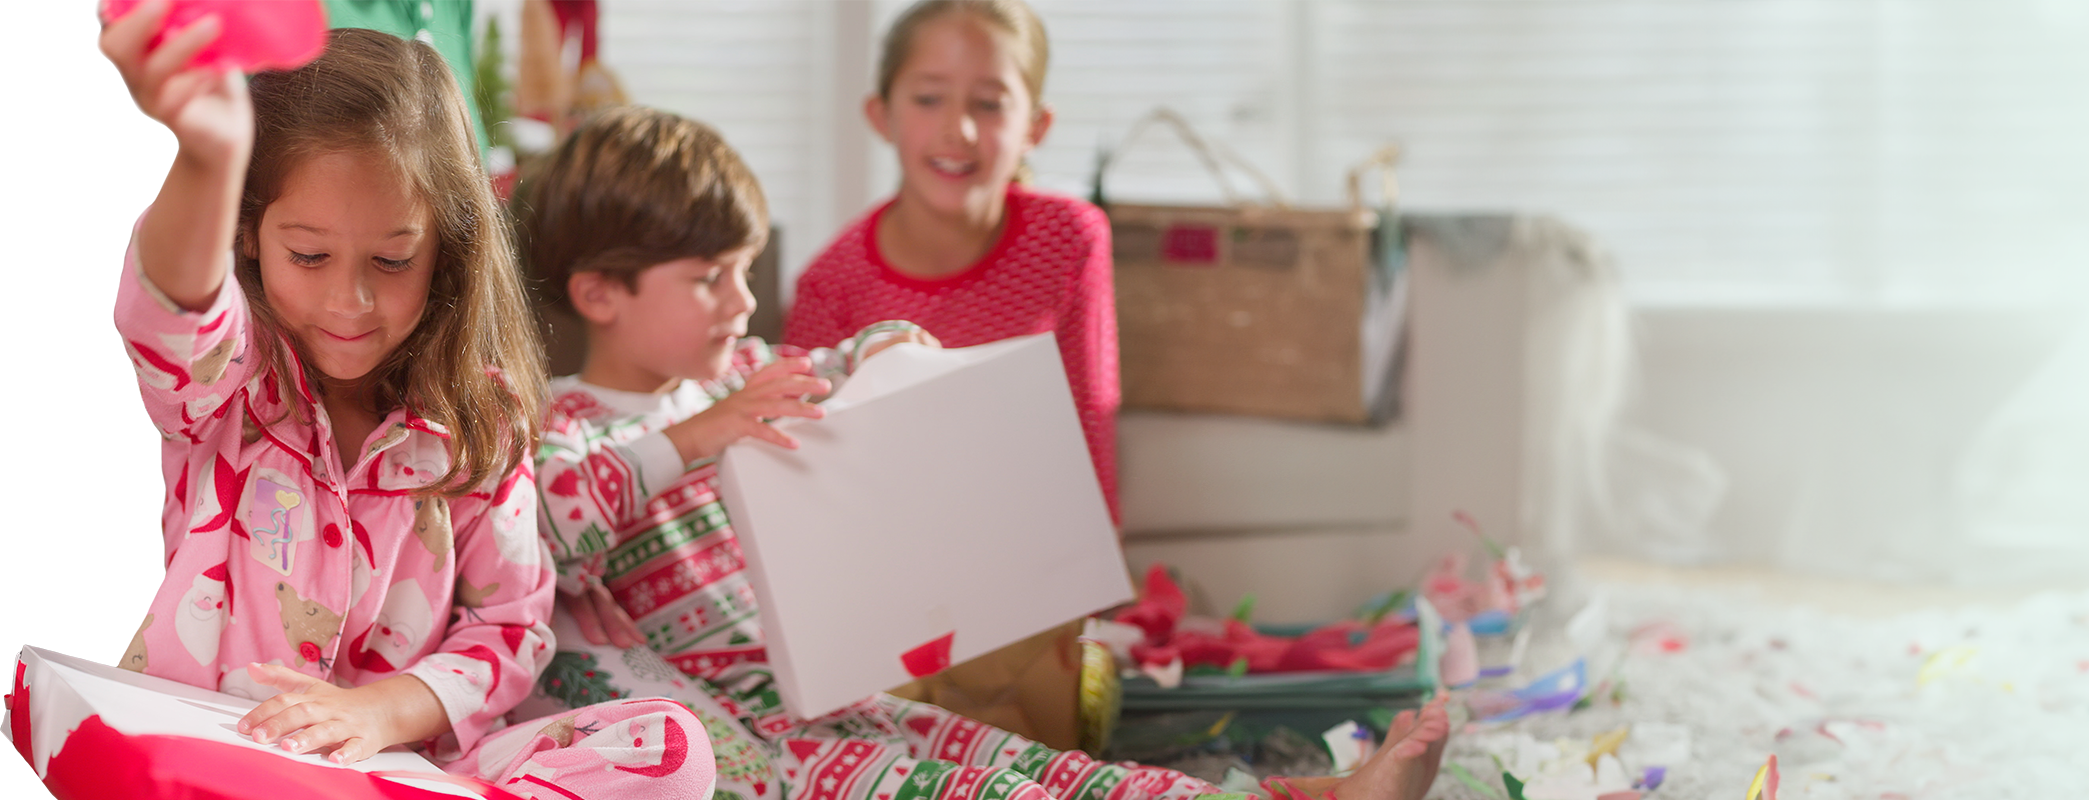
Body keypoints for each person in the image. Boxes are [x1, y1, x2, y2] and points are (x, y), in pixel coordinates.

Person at [519, 105, 1449, 800]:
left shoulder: (751, 374)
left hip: (821, 690)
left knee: (1038, 766)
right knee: (964, 791)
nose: (741, 302)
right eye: (708, 279)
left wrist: (886, 346)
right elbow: (551, 528)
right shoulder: (568, 427)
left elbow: (842, 358)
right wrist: (691, 440)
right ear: (600, 295)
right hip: (733, 728)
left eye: (745, 269)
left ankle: (1301, 795)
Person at [94, 6, 712, 798]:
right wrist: (211, 158)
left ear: (444, 249)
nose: (350, 301)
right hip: (218, 760)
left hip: (399, 771)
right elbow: (171, 308)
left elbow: (511, 629)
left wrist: (378, 715)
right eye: (309, 255)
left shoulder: (482, 421)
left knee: (668, 745)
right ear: (248, 232)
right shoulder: (229, 385)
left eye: (392, 259)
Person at [783, 0, 1118, 523]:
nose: (958, 129)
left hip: (1039, 539)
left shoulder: (1071, 238)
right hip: (889, 544)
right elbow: (802, 469)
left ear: (1036, 126)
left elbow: (1090, 421)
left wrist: (1102, 563)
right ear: (881, 115)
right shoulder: (830, 284)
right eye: (928, 98)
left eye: (988, 104)